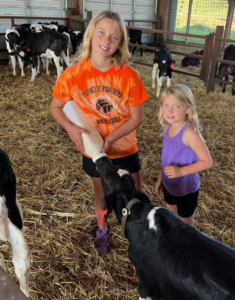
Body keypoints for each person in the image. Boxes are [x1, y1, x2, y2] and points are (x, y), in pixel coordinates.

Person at [50, 10, 149, 253]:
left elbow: (137, 117)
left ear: (120, 43)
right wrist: (71, 129)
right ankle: (102, 227)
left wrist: (112, 137)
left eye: (114, 37)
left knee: (135, 192)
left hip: (124, 148)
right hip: (93, 150)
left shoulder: (129, 77)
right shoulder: (73, 74)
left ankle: (142, 234)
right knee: (101, 193)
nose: (106, 40)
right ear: (91, 34)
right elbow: (56, 107)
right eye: (102, 33)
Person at [155, 84, 212, 227]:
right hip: (169, 184)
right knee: (172, 218)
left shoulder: (189, 133)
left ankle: (185, 245)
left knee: (185, 227)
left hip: (186, 188)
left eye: (176, 106)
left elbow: (207, 161)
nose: (170, 110)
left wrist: (181, 171)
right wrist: (160, 179)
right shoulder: (167, 128)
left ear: (188, 109)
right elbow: (166, 158)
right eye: (166, 105)